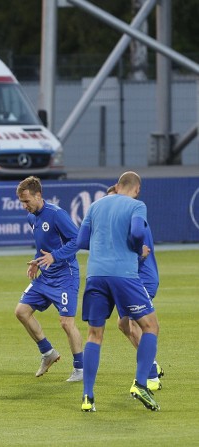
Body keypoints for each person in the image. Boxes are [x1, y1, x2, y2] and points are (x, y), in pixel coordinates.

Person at [76, 171, 160, 412]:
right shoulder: (136, 205)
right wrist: (136, 250)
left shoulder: (95, 205)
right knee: (150, 326)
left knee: (94, 335)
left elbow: (82, 241)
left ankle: (87, 397)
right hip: (124, 275)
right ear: (136, 189)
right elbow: (136, 233)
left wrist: (104, 246)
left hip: (95, 275)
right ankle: (141, 383)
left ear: (118, 185)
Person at [14, 176, 83, 382]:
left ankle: (80, 369)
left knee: (66, 323)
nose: (24, 206)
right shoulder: (32, 217)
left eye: (27, 201)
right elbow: (43, 246)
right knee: (21, 312)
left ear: (38, 196)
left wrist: (55, 256)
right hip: (46, 275)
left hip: (65, 276)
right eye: (21, 202)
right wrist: (37, 261)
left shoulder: (56, 214)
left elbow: (77, 240)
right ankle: (48, 353)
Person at [105, 185, 164, 391]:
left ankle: (151, 376)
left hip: (142, 279)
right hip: (128, 281)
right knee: (123, 325)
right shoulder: (121, 221)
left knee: (141, 324)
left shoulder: (133, 220)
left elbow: (139, 254)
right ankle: (152, 364)